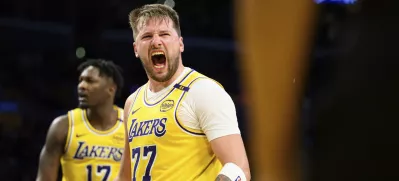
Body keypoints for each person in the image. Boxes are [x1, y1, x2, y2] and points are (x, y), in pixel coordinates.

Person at [116, 4, 251, 181]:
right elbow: (126, 176)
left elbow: (238, 168)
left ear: (180, 44)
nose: (156, 41)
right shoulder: (132, 102)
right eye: (147, 36)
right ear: (135, 49)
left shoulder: (204, 91)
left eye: (164, 34)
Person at [36, 59, 126, 181]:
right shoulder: (63, 126)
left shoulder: (129, 125)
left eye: (90, 81)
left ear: (111, 89)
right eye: (81, 81)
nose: (81, 86)